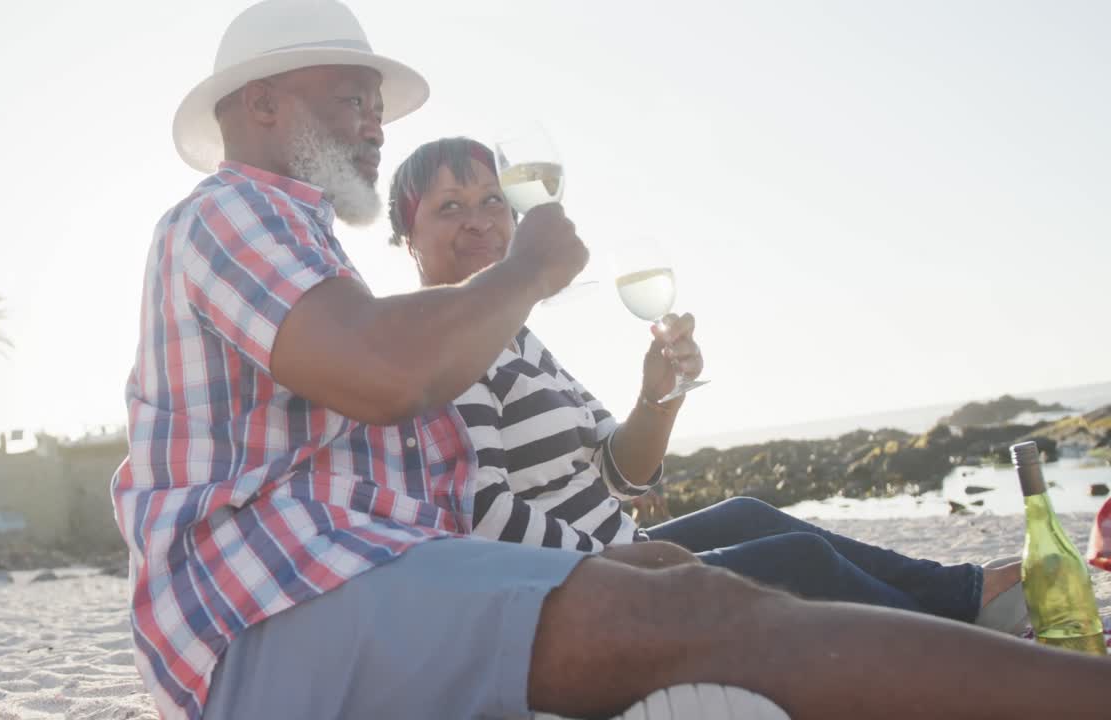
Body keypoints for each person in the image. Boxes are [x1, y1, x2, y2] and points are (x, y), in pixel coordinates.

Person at [112, 2, 1111, 719]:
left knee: (694, 573)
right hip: (272, 618)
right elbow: (388, 379)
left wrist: (647, 407)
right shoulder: (228, 212)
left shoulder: (321, 267)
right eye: (349, 98)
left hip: (342, 592)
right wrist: (532, 269)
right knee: (712, 603)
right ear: (260, 109)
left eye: (378, 105)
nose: (375, 125)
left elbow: (577, 478)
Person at [388, 136, 1027, 629]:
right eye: (449, 207)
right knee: (797, 561)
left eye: (492, 200)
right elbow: (479, 509)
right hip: (574, 586)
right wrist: (611, 560)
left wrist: (658, 393)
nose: (478, 220)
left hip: (618, 551)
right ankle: (950, 640)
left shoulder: (518, 337)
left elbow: (621, 474)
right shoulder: (445, 346)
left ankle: (959, 596)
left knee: (750, 513)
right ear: (404, 237)